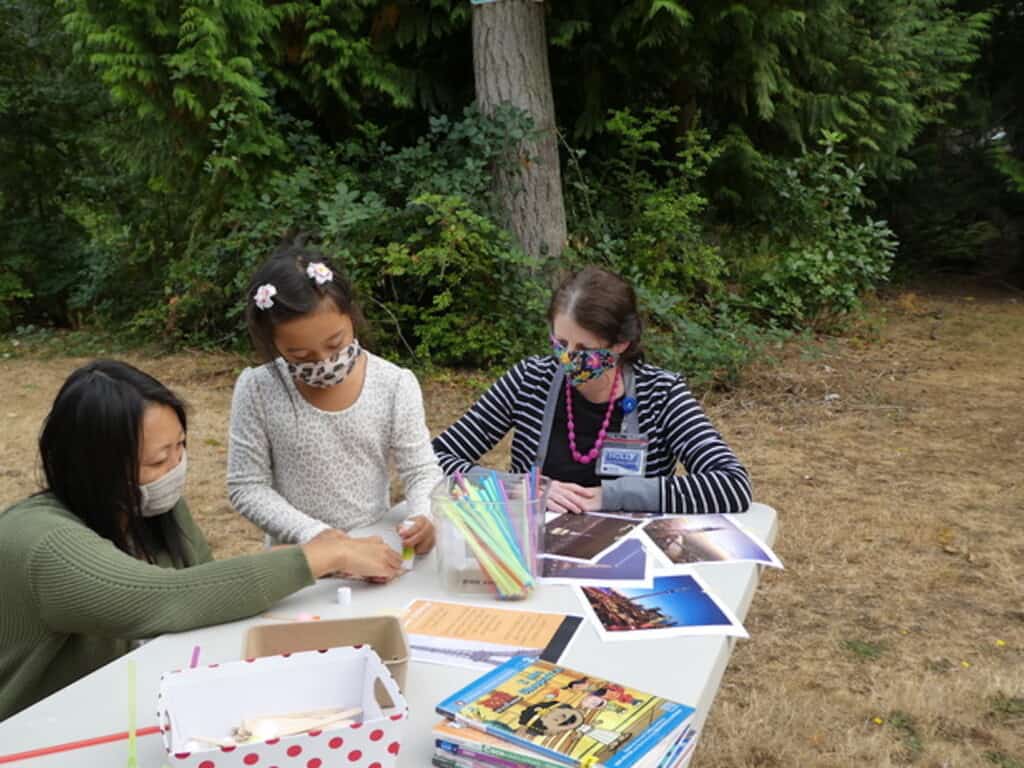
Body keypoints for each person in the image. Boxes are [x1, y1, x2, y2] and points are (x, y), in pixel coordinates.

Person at [0, 361, 398, 720]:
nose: (176, 467)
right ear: (95, 468)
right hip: (34, 736)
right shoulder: (43, 543)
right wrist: (316, 557)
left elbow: (205, 587)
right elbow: (165, 599)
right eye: (159, 460)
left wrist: (300, 566)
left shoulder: (150, 505)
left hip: (120, 711)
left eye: (181, 447)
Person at [432, 266, 752, 515]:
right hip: (531, 553)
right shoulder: (530, 380)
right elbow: (434, 460)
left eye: (584, 348)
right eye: (560, 343)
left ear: (620, 345)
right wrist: (518, 487)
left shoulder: (662, 394)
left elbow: (732, 484)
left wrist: (612, 496)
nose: (568, 357)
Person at [227, 243, 441, 563]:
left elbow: (422, 471)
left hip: (375, 550)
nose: (325, 362)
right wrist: (316, 537)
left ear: (351, 316)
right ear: (273, 345)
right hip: (301, 561)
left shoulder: (394, 385)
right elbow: (247, 486)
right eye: (300, 355)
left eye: (335, 343)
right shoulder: (258, 389)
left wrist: (425, 516)